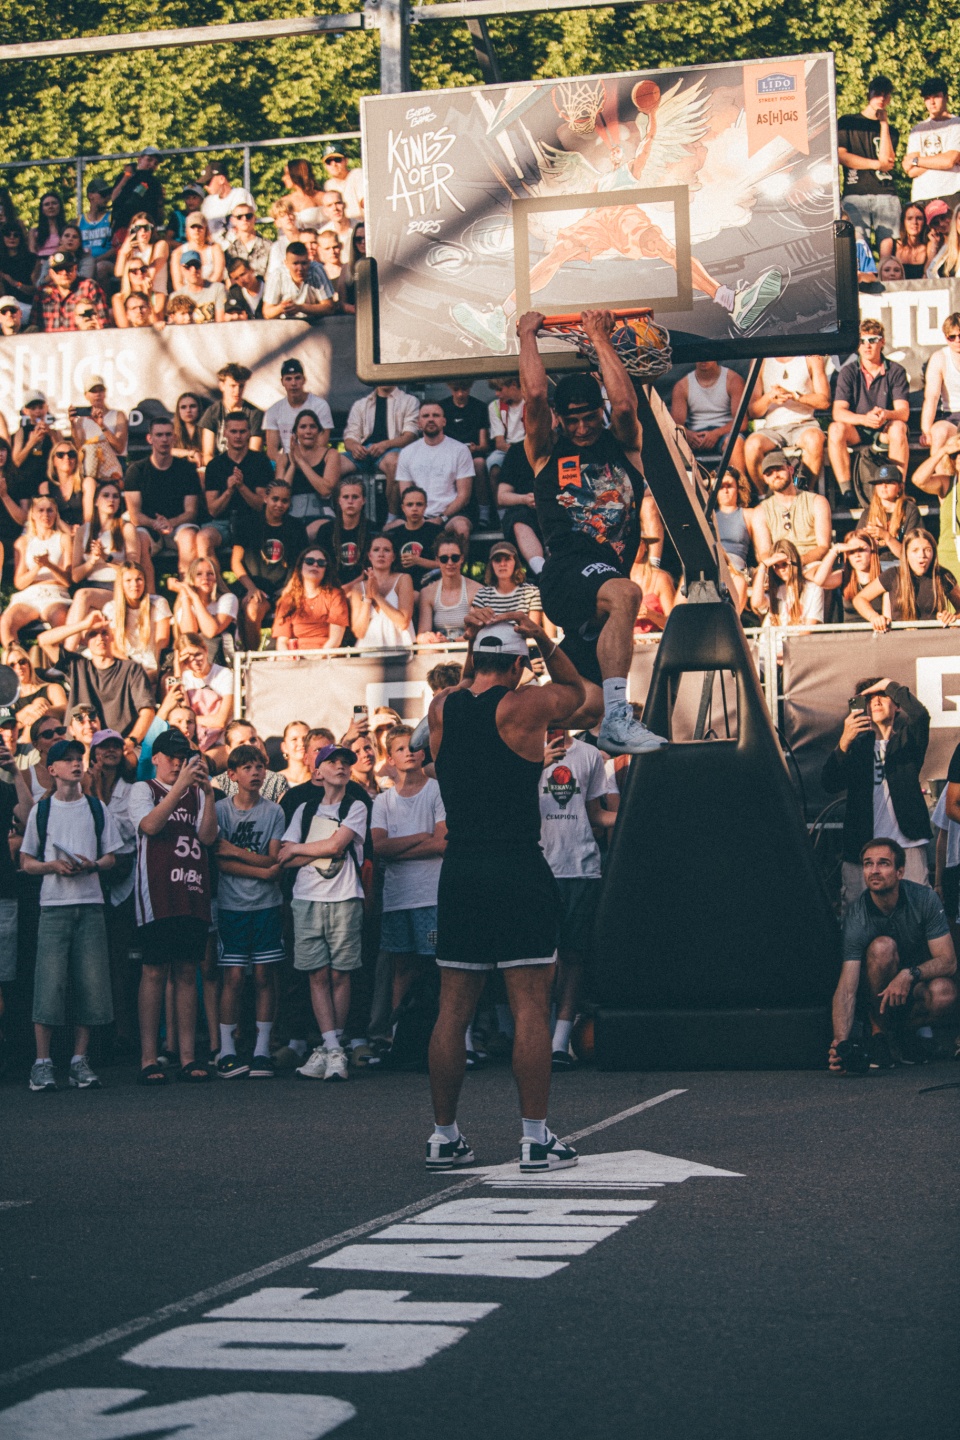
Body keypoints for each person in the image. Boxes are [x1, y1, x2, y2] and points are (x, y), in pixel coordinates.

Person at [424, 615, 585, 1171]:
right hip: (516, 866)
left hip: (460, 870)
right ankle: (534, 1138)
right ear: (518, 665)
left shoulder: (441, 707)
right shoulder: (526, 705)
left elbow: (470, 683)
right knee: (530, 1006)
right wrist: (543, 636)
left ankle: (443, 1136)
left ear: (475, 658)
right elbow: (579, 693)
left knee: (452, 1011)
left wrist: (478, 643)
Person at [520, 307, 666, 753]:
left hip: (600, 589)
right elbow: (535, 398)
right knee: (627, 593)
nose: (582, 428)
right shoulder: (546, 452)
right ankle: (621, 719)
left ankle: (472, 711)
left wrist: (599, 336)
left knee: (584, 705)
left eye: (588, 417)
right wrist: (527, 335)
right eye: (572, 420)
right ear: (560, 419)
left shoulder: (624, 444)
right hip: (568, 572)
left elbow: (624, 405)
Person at [21, 736, 124, 1093]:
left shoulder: (96, 808)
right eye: (67, 759)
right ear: (52, 769)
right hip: (53, 906)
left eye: (79, 757)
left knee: (91, 985)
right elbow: (26, 861)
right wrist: (52, 866)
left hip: (91, 903)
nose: (76, 763)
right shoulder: (42, 811)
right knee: (49, 984)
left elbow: (112, 856)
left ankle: (79, 1060)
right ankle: (42, 1062)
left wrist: (92, 864)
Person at [130, 728, 218, 1084]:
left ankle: (187, 1057)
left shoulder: (197, 793)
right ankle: (148, 1058)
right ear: (156, 758)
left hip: (192, 889)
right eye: (172, 757)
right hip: (157, 893)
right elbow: (150, 825)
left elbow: (208, 837)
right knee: (154, 971)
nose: (179, 763)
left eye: (184, 758)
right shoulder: (144, 789)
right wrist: (180, 787)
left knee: (186, 971)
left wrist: (208, 794)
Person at [279, 742, 369, 1083]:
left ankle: (331, 1049)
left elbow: (336, 845)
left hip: (344, 897)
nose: (341, 766)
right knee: (316, 974)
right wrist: (315, 850)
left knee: (340, 974)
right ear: (318, 771)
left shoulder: (356, 806)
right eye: (332, 762)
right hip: (306, 898)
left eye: (345, 762)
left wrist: (304, 850)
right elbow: (285, 856)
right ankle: (332, 1047)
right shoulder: (304, 809)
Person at [829, 839, 956, 1073]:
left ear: (900, 872)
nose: (874, 870)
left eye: (883, 863)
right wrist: (840, 1044)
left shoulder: (925, 899)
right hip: (874, 995)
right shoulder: (857, 915)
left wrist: (909, 974)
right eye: (868, 864)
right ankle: (877, 1032)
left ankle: (902, 1034)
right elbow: (846, 987)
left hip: (911, 987)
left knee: (944, 993)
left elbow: (948, 962)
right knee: (883, 948)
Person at [539, 723, 615, 1068]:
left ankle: (560, 1040)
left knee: (573, 955)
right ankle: (535, 1037)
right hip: (538, 867)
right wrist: (536, 765)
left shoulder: (588, 755)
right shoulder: (522, 751)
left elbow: (595, 813)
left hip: (580, 866)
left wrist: (635, 814)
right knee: (539, 959)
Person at [822, 677, 932, 914]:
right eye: (869, 698)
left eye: (883, 696)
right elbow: (829, 783)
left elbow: (921, 715)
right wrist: (844, 741)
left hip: (908, 844)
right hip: (862, 847)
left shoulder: (908, 740)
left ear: (897, 705)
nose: (877, 701)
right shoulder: (855, 746)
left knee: (917, 912)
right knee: (858, 914)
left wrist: (887, 684)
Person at [213, 743, 286, 1078]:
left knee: (263, 976)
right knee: (232, 977)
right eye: (247, 767)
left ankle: (262, 1049)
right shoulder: (221, 811)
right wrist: (260, 870)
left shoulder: (274, 812)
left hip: (266, 905)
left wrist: (236, 852)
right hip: (232, 905)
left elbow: (273, 859)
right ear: (232, 775)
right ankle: (227, 1049)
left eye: (259, 767)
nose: (255, 773)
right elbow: (220, 861)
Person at [371, 725, 446, 1037]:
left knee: (438, 966)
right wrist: (420, 837)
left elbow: (441, 843)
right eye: (401, 749)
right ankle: (399, 1036)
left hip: (431, 895)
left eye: (414, 747)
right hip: (398, 898)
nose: (409, 753)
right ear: (390, 758)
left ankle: (443, 1035)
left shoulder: (437, 790)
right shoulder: (383, 801)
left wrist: (399, 851)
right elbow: (378, 847)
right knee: (401, 966)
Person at [38, 612, 156, 752]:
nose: (100, 638)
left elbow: (147, 710)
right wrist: (84, 625)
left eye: (104, 633)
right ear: (84, 641)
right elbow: (44, 641)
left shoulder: (131, 669)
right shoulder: (77, 666)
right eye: (93, 634)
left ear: (112, 637)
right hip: (78, 748)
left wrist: (131, 740)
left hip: (117, 746)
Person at [231, 477, 308, 646]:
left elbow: (300, 565)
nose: (279, 504)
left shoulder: (296, 527)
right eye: (275, 499)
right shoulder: (248, 523)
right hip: (256, 585)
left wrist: (288, 590)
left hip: (286, 587)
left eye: (284, 501)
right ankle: (252, 656)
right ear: (266, 498)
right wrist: (251, 588)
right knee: (252, 609)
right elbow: (235, 562)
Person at [123, 414, 203, 577]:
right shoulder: (136, 470)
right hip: (149, 526)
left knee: (189, 537)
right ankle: (148, 591)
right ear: (150, 438)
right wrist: (155, 524)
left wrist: (169, 523)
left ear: (174, 438)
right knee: (140, 539)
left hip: (179, 525)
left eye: (168, 435)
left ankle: (187, 590)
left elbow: (191, 512)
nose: (164, 439)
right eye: (159, 435)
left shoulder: (187, 470)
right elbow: (135, 515)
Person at [744, 355, 830, 493]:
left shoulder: (812, 358)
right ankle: (765, 496)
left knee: (815, 439)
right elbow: (753, 411)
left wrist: (796, 396)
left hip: (804, 424)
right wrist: (769, 397)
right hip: (772, 428)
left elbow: (824, 401)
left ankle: (804, 492)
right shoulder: (760, 361)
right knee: (752, 445)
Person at [836, 75, 900, 250]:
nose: (881, 98)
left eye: (885, 95)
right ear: (868, 95)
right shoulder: (848, 122)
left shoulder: (891, 130)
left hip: (886, 192)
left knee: (887, 247)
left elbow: (887, 160)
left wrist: (884, 125)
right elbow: (842, 156)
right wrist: (876, 165)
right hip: (855, 191)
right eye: (877, 93)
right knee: (858, 246)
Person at [395, 402, 475, 540]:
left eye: (436, 415)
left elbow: (464, 496)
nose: (431, 419)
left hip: (450, 515)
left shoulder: (460, 450)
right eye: (426, 416)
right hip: (418, 514)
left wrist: (441, 518)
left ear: (444, 421)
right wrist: (420, 519)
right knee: (388, 530)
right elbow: (406, 495)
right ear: (419, 423)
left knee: (462, 528)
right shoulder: (407, 453)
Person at [0, 495, 72, 647]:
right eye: (41, 510)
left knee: (60, 618)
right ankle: (16, 657)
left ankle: (59, 660)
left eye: (50, 510)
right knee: (6, 621)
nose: (45, 515)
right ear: (32, 514)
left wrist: (49, 565)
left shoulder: (63, 539)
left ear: (56, 513)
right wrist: (37, 568)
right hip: (30, 595)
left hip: (55, 593)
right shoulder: (23, 542)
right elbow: (19, 583)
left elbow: (67, 580)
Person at [67, 460, 137, 615]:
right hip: (90, 585)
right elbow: (75, 576)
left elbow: (134, 570)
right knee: (89, 612)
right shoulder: (83, 531)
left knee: (83, 596)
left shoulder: (126, 528)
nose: (111, 500)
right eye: (106, 496)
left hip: (117, 586)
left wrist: (107, 558)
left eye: (115, 496)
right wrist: (92, 561)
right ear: (96, 501)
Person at [854, 527, 960, 629]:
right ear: (906, 553)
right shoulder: (892, 575)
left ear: (934, 553)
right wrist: (874, 617)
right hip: (901, 639)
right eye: (915, 550)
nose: (922, 555)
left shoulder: (942, 575)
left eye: (927, 550)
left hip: (934, 638)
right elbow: (860, 599)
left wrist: (953, 618)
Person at [750, 450, 833, 569]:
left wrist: (798, 562)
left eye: (779, 469)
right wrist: (781, 564)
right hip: (779, 567)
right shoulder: (760, 512)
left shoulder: (817, 502)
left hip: (812, 565)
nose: (775, 475)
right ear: (765, 479)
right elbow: (764, 553)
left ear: (790, 470)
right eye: (769, 473)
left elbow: (823, 547)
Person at [202, 410, 273, 547]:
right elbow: (213, 510)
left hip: (252, 521)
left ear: (249, 433)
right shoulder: (215, 465)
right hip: (222, 522)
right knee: (204, 539)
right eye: (233, 431)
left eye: (242, 431)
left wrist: (241, 487)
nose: (238, 436)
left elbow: (262, 506)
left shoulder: (261, 462)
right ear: (225, 433)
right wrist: (229, 491)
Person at [670, 360, 747, 471]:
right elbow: (675, 425)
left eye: (708, 355)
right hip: (695, 435)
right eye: (699, 355)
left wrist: (716, 434)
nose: (704, 359)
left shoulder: (733, 380)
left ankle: (738, 480)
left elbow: (742, 422)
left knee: (735, 443)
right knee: (671, 444)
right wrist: (688, 434)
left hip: (725, 432)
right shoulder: (682, 386)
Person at [103, 562, 172, 684]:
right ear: (121, 584)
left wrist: (156, 671)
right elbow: (113, 647)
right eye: (128, 580)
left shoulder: (158, 603)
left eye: (139, 579)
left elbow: (162, 643)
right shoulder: (111, 609)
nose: (134, 584)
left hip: (153, 663)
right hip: (126, 665)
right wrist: (133, 669)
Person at [342, 383, 419, 490]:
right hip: (364, 452)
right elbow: (349, 438)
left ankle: (392, 503)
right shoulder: (360, 404)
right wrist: (355, 447)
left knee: (395, 463)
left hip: (392, 450)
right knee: (333, 464)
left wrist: (385, 445)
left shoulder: (409, 401)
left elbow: (410, 437)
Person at [272, 545, 349, 651]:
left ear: (326, 570)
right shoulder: (289, 600)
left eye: (321, 563)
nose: (315, 565)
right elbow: (281, 642)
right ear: (300, 567)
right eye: (309, 561)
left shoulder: (336, 596)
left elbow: (335, 640)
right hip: (296, 656)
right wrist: (287, 657)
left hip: (328, 655)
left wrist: (318, 658)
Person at [275, 408, 340, 532]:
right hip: (290, 515)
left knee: (310, 533)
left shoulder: (331, 454)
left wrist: (301, 462)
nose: (308, 431)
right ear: (295, 432)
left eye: (312, 427)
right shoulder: (284, 459)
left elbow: (325, 490)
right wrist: (293, 465)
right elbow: (280, 494)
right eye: (303, 427)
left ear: (319, 431)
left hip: (321, 514)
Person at [347, 534, 415, 649]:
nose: (381, 554)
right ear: (370, 556)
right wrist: (368, 598)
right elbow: (359, 632)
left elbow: (403, 623)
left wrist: (377, 596)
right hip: (369, 651)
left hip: (400, 648)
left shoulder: (403, 579)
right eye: (376, 550)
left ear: (393, 557)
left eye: (387, 550)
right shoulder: (358, 588)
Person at [263, 358, 334, 465]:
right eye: (288, 379)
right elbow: (272, 451)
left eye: (297, 378)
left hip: (314, 462)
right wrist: (286, 462)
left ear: (304, 380)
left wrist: (302, 464)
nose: (293, 383)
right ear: (282, 382)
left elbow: (321, 445)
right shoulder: (273, 411)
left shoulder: (320, 406)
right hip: (286, 462)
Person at [904, 77, 960, 209]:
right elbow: (910, 170)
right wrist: (940, 159)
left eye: (936, 96)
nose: (932, 102)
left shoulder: (956, 125)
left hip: (951, 193)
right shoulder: (918, 129)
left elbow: (949, 161)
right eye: (927, 98)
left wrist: (917, 161)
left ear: (946, 97)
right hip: (922, 196)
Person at [750, 539, 824, 638]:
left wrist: (791, 645)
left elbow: (808, 629)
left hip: (797, 644)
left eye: (784, 564)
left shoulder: (813, 589)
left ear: (794, 562)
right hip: (770, 643)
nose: (781, 570)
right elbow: (756, 603)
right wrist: (763, 566)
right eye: (776, 566)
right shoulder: (776, 590)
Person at [416, 530, 481, 641]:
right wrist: (429, 638)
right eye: (444, 559)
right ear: (437, 560)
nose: (450, 563)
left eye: (455, 558)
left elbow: (479, 631)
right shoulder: (428, 592)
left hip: (467, 644)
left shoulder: (477, 590)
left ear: (462, 558)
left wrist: (451, 641)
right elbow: (423, 632)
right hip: (439, 643)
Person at [174, 633, 234, 752]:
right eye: (187, 659)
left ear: (206, 650)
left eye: (197, 655)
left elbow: (221, 721)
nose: (194, 662)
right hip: (195, 740)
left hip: (220, 741)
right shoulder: (183, 677)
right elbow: (184, 712)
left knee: (203, 760)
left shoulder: (224, 674)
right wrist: (178, 673)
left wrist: (191, 720)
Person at [912, 429, 960, 577]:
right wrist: (942, 451)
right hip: (950, 557)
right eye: (955, 455)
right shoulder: (948, 483)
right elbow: (919, 480)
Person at [810, 530, 883, 623]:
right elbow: (819, 580)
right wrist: (835, 549)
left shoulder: (884, 576)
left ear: (872, 551)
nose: (857, 555)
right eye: (851, 552)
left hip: (877, 630)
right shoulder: (844, 576)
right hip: (850, 630)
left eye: (861, 550)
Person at [199, 363, 265, 465]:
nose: (237, 391)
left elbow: (254, 452)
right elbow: (208, 454)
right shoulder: (212, 412)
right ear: (222, 386)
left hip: (246, 466)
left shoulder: (254, 413)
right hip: (218, 466)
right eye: (233, 386)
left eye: (241, 386)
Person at [68, 375, 127, 483]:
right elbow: (78, 449)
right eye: (93, 391)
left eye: (100, 390)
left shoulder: (118, 415)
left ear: (105, 392)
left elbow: (120, 448)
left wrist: (101, 425)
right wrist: (73, 424)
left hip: (114, 469)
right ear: (86, 395)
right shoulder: (81, 421)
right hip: (90, 470)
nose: (97, 394)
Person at [384, 485, 443, 593]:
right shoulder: (394, 534)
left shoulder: (436, 532)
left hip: (431, 585)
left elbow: (446, 563)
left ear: (425, 507)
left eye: (419, 504)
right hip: (401, 587)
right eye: (410, 505)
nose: (414, 508)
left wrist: (418, 561)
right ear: (403, 508)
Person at [860, 464, 921, 567]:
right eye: (879, 483)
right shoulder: (868, 512)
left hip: (901, 563)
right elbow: (858, 545)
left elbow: (910, 554)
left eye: (889, 482)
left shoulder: (910, 510)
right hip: (874, 563)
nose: (884, 486)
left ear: (900, 487)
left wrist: (885, 536)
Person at [262, 242, 335, 322]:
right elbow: (267, 313)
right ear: (286, 263)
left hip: (315, 323)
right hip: (286, 324)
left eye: (304, 263)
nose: (300, 268)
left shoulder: (317, 270)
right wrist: (282, 308)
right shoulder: (277, 275)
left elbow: (329, 307)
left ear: (309, 261)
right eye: (295, 263)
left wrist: (301, 308)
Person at [919, 312, 960, 452]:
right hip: (952, 416)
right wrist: (926, 431)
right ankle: (938, 467)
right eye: (952, 337)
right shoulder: (940, 358)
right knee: (938, 432)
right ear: (946, 337)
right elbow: (932, 397)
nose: (957, 340)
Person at [38, 250, 108, 331]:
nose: (64, 273)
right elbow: (34, 324)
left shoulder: (89, 286)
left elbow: (103, 322)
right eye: (58, 270)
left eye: (68, 269)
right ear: (51, 273)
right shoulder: (43, 291)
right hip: (50, 339)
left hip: (81, 337)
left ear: (75, 268)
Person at [474, 541, 543, 622]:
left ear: (515, 563)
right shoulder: (482, 595)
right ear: (491, 565)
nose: (502, 564)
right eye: (497, 560)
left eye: (507, 559)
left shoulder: (531, 593)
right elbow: (477, 625)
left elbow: (532, 627)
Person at [3, 645, 67, 730]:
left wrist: (41, 711)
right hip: (20, 737)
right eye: (12, 665)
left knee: (40, 701)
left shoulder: (52, 688)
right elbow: (5, 727)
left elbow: (65, 710)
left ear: (29, 664)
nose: (18, 667)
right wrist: (27, 710)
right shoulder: (6, 699)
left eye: (22, 662)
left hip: (50, 733)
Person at [318, 476, 368, 585]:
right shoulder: (325, 531)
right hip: (331, 587)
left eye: (355, 497)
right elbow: (320, 566)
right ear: (338, 500)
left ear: (363, 500)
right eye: (346, 497)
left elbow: (372, 571)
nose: (350, 501)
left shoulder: (373, 529)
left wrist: (348, 588)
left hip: (364, 587)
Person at [110, 148, 164, 238]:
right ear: (140, 159)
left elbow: (157, 212)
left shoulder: (154, 183)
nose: (151, 165)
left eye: (155, 163)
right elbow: (114, 197)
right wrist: (127, 176)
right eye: (149, 160)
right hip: (122, 225)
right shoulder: (126, 176)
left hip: (144, 228)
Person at [629, 531, 677, 632]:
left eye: (637, 541)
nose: (632, 545)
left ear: (645, 546)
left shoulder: (660, 578)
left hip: (653, 639)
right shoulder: (617, 578)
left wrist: (651, 614)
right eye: (628, 542)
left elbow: (675, 624)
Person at [113, 213, 169, 298]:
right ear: (132, 230)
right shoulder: (130, 250)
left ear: (152, 229)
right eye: (138, 228)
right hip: (134, 297)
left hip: (156, 296)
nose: (143, 231)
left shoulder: (160, 245)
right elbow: (119, 274)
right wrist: (123, 253)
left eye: (146, 227)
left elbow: (152, 271)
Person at [199, 162, 254, 241]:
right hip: (214, 246)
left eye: (208, 182)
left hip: (237, 244)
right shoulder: (207, 202)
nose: (206, 187)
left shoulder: (240, 194)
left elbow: (247, 225)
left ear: (221, 179)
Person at [170, 213, 224, 291]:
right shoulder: (178, 253)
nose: (196, 230)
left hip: (212, 292)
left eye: (200, 227)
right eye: (193, 227)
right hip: (186, 295)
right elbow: (178, 283)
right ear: (187, 230)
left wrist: (203, 292)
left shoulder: (215, 248)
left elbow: (218, 275)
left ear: (206, 229)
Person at [78, 176, 116, 284]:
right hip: (84, 263)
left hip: (108, 262)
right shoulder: (78, 221)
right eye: (103, 194)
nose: (107, 198)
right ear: (91, 196)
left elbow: (117, 247)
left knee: (100, 267)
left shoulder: (112, 218)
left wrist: (96, 260)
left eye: (108, 194)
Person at [172, 249, 225, 322]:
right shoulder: (176, 296)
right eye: (188, 266)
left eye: (196, 265)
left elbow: (221, 322)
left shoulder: (217, 289)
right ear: (182, 269)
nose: (193, 270)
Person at [879, 202, 929, 278]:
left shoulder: (929, 247)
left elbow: (930, 275)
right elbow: (883, 276)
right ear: (903, 222)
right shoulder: (889, 244)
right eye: (910, 218)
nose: (914, 222)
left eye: (919, 218)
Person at [222, 200, 270, 277]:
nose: (244, 219)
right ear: (233, 220)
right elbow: (228, 279)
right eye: (239, 217)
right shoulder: (229, 251)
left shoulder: (269, 246)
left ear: (255, 218)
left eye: (248, 216)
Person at [322, 144, 365, 218]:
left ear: (346, 161)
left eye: (337, 160)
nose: (333, 164)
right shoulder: (328, 185)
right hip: (342, 223)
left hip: (361, 222)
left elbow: (366, 202)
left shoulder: (357, 175)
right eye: (328, 161)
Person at [281, 159, 326, 228]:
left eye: (287, 174)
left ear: (297, 173)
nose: (283, 178)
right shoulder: (285, 201)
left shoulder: (320, 197)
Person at [171, 392, 205, 470]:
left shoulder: (207, 430)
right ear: (178, 411)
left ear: (199, 409)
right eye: (183, 407)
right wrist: (191, 453)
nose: (188, 410)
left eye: (192, 406)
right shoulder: (172, 430)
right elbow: (167, 450)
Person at [29, 192, 67, 259]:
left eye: (54, 203)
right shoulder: (34, 232)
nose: (51, 207)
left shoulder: (67, 229)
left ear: (60, 206)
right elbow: (32, 253)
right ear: (42, 209)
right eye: (47, 204)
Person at [225, 255, 264, 319]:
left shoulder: (269, 287)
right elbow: (227, 314)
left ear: (251, 270)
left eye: (243, 274)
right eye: (236, 278)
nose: (241, 280)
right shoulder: (235, 293)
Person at [279, 720, 310, 787]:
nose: (301, 743)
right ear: (284, 747)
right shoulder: (275, 780)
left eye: (305, 738)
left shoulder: (321, 779)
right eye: (294, 739)